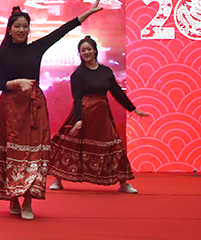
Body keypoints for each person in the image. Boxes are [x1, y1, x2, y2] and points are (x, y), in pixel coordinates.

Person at [0, 0, 104, 220]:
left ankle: (28, 202)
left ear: (29, 29)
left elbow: (62, 30)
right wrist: (16, 83)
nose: (22, 30)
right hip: (11, 108)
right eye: (17, 26)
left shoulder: (36, 48)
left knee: (34, 153)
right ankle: (13, 198)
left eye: (25, 26)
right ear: (9, 29)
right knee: (12, 152)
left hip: (34, 106)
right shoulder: (1, 54)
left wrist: (87, 14)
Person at [49, 36, 151, 193]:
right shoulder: (78, 74)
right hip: (84, 112)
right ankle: (58, 179)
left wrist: (133, 109)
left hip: (102, 114)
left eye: (89, 49)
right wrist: (78, 119)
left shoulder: (105, 71)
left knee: (114, 146)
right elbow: (77, 98)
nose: (86, 52)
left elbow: (117, 92)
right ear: (80, 53)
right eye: (83, 50)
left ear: (95, 50)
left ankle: (123, 183)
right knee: (70, 145)